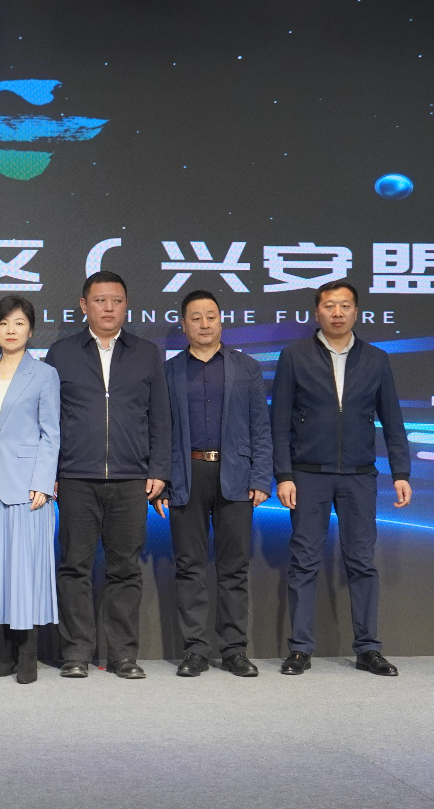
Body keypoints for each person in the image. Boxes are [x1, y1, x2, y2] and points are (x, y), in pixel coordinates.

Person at [271, 280, 412, 678]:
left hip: (359, 475)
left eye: (345, 306)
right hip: (307, 475)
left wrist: (401, 472)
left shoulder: (376, 359)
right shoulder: (294, 356)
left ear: (356, 312)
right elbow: (278, 422)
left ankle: (368, 649)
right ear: (317, 312)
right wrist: (283, 474)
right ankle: (299, 649)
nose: (337, 313)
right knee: (304, 562)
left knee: (362, 561)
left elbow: (393, 421)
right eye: (330, 305)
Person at [45, 271, 171, 679]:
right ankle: (76, 653)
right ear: (84, 306)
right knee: (74, 567)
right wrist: (50, 471)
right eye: (100, 300)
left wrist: (159, 469)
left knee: (126, 569)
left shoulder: (146, 353)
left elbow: (161, 417)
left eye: (116, 300)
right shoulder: (61, 353)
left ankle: (123, 656)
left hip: (131, 478)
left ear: (126, 305)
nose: (108, 307)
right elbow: (48, 419)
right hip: (75, 476)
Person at [159, 290, 272, 679]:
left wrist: (261, 477)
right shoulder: (170, 371)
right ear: (183, 324)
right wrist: (163, 482)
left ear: (221, 321)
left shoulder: (246, 368)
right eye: (196, 317)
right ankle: (195, 650)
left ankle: (235, 650)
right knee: (189, 566)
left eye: (211, 316)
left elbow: (260, 427)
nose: (204, 324)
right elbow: (161, 431)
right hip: (186, 476)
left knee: (234, 568)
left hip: (235, 476)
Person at [0, 296, 61, 684]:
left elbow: (51, 434)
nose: (11, 330)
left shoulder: (44, 374)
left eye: (19, 323)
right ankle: (3, 654)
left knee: (25, 572)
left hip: (27, 488)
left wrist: (43, 483)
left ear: (30, 330)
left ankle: (28, 654)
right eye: (4, 323)